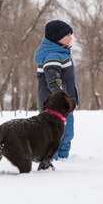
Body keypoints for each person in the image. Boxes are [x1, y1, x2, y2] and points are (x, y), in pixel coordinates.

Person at [34, 19, 79, 159]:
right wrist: (63, 99)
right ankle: (51, 159)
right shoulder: (53, 56)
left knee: (67, 133)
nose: (71, 38)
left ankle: (63, 157)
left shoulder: (61, 54)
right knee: (55, 134)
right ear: (57, 37)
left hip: (64, 105)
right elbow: (53, 81)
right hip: (56, 107)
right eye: (68, 35)